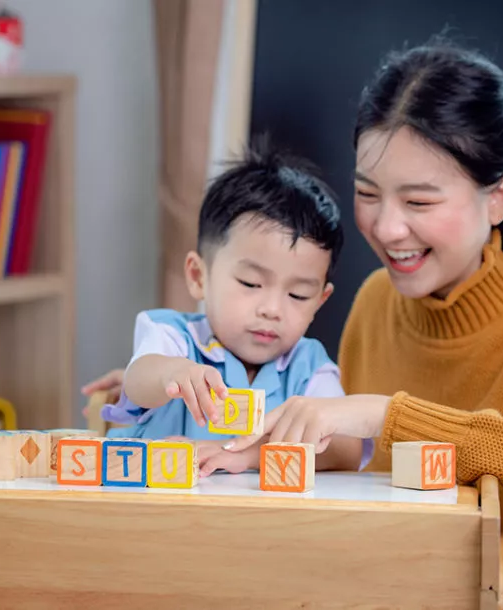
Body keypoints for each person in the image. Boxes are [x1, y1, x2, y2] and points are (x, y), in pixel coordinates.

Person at [82, 40, 503, 610]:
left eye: (419, 202)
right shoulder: (377, 302)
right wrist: (164, 394)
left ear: (497, 198)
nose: (388, 227)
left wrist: (385, 414)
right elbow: (335, 456)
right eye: (368, 193)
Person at [97, 141, 367, 470]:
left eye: (297, 295)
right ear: (198, 276)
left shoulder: (308, 368)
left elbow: (345, 449)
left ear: (319, 302)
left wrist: (244, 455)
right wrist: (175, 373)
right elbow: (138, 381)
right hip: (162, 515)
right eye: (251, 284)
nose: (272, 309)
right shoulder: (176, 337)